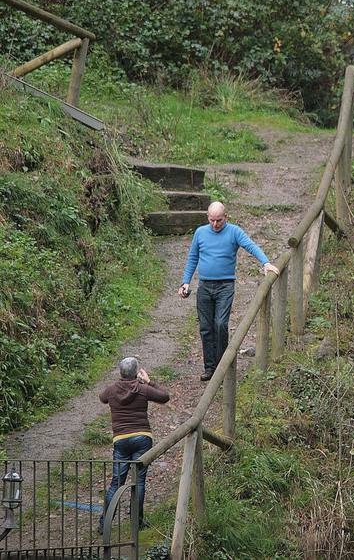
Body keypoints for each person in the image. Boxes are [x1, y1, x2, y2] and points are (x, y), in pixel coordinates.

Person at [178, 201, 279, 380]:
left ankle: (222, 365)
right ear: (207, 218)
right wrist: (185, 282)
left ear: (226, 217)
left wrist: (265, 262)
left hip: (225, 286)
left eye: (219, 220)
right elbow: (193, 257)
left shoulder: (234, 231)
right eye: (212, 220)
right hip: (204, 286)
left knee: (221, 324)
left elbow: (250, 246)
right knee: (205, 328)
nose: (215, 224)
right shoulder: (200, 232)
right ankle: (210, 368)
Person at [98, 358, 169, 534]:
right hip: (142, 438)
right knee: (139, 482)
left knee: (116, 482)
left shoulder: (112, 390)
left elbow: (102, 398)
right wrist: (149, 381)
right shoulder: (143, 389)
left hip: (120, 440)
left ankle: (104, 524)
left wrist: (118, 384)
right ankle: (136, 523)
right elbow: (164, 397)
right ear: (137, 373)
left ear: (120, 372)